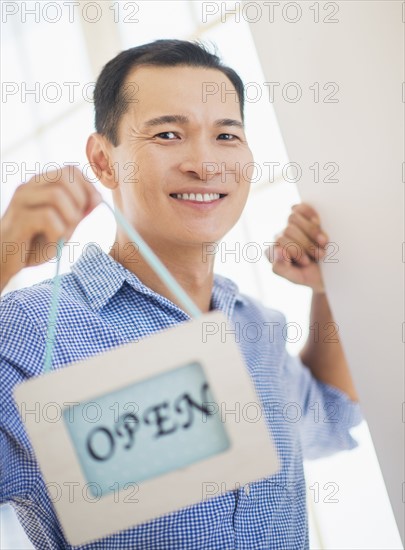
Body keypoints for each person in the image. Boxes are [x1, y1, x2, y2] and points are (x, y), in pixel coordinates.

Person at [0, 39, 361, 549]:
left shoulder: (253, 326)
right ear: (103, 162)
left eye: (226, 135)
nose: (205, 163)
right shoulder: (29, 332)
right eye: (169, 134)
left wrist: (328, 293)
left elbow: (331, 413)